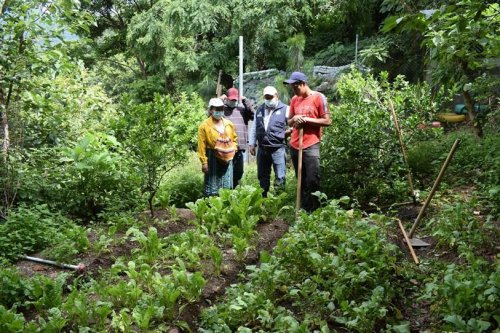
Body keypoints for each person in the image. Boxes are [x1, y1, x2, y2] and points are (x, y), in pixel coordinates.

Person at [284, 71, 331, 212]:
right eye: (292, 87)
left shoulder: (318, 97)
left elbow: (327, 121)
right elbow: (290, 121)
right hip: (295, 143)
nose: (294, 89)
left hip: (311, 144)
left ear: (304, 84)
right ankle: (303, 210)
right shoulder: (294, 100)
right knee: (301, 180)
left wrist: (306, 119)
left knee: (312, 179)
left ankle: (316, 211)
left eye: (296, 86)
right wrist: (295, 119)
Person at [248, 86, 290, 197]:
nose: (268, 99)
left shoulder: (286, 109)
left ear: (277, 96)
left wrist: (287, 133)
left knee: (280, 176)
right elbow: (254, 128)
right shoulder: (260, 110)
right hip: (262, 149)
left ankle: (279, 201)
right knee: (262, 175)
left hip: (278, 148)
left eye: (270, 97)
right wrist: (252, 144)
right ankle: (263, 199)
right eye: (266, 97)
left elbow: (293, 125)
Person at [197, 98, 238, 196]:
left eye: (221, 109)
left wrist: (234, 150)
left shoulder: (228, 124)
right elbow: (201, 145)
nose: (219, 112)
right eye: (217, 109)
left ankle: (225, 207)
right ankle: (211, 207)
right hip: (212, 157)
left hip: (227, 158)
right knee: (212, 186)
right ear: (211, 110)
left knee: (226, 185)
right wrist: (204, 162)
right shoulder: (204, 126)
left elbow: (234, 139)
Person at [220, 87, 255, 188]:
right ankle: (227, 191)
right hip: (226, 148)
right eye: (231, 100)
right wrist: (220, 99)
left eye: (235, 100)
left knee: (238, 172)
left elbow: (254, 114)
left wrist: (245, 100)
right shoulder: (222, 110)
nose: (233, 101)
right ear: (227, 99)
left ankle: (235, 190)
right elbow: (210, 113)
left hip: (239, 148)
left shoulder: (242, 110)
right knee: (226, 172)